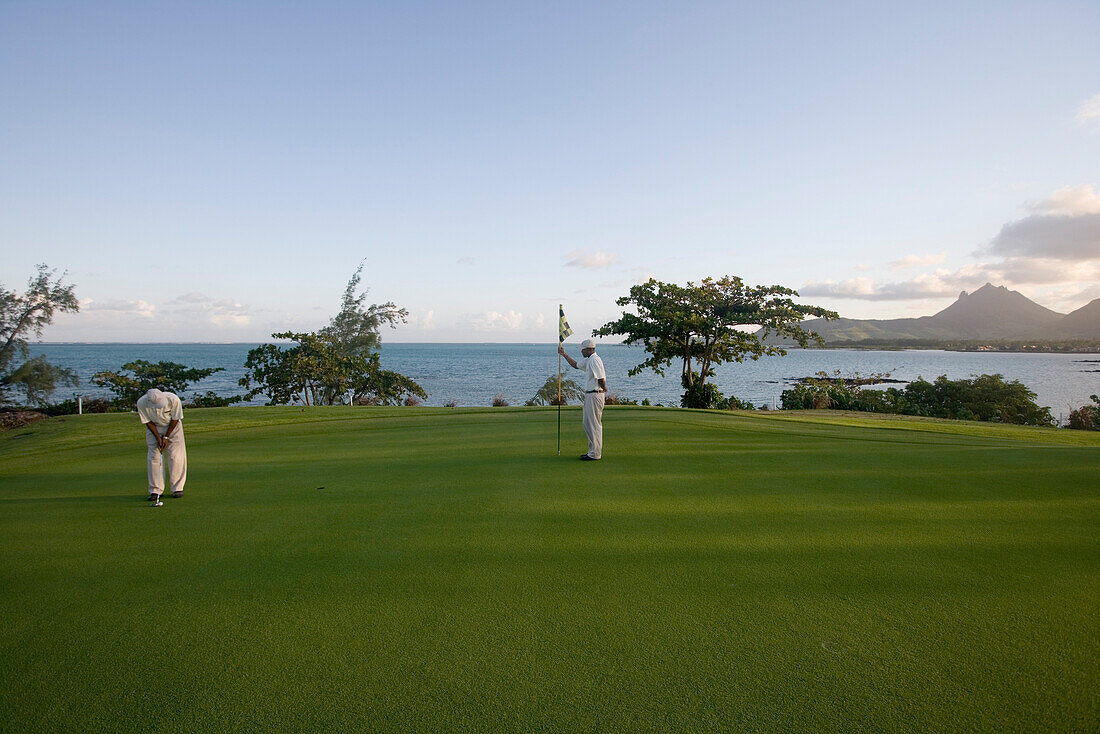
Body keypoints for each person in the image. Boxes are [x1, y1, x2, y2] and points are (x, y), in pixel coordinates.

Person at [136, 388, 187, 506]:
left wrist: (166, 437)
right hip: (154, 428)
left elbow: (175, 419)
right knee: (154, 457)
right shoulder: (142, 403)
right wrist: (158, 437)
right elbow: (147, 421)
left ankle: (177, 488)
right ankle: (155, 490)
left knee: (175, 456)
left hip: (173, 428)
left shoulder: (173, 399)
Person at [558, 338, 607, 460]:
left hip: (595, 394)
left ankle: (595, 454)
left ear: (589, 349)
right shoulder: (589, 360)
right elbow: (575, 365)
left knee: (593, 424)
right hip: (591, 394)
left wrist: (604, 388)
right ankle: (592, 451)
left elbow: (600, 378)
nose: (581, 352)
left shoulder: (594, 360)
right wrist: (564, 354)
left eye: (583, 350)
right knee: (587, 423)